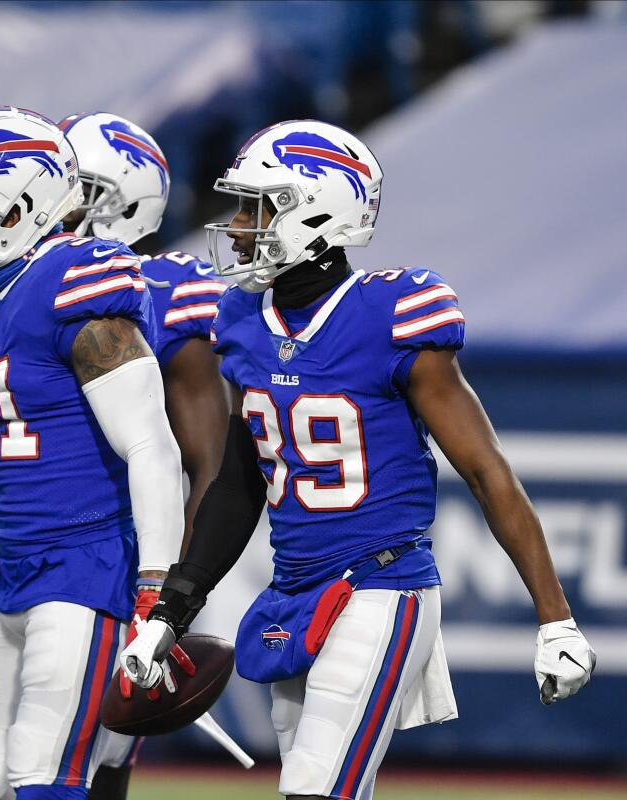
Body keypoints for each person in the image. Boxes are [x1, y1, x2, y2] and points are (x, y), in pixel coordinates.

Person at [121, 120, 596, 800]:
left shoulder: (391, 314)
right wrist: (173, 608)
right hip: (294, 593)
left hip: (382, 585)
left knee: (314, 789)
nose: (239, 225)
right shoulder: (240, 322)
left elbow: (488, 471)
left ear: (317, 213)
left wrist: (555, 617)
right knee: (330, 788)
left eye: (258, 208)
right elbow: (239, 483)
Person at [0, 112, 230, 800]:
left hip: (89, 565)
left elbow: (163, 450)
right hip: (17, 561)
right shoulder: (5, 289)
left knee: (59, 774)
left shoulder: (85, 281)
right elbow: (15, 405)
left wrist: (162, 596)